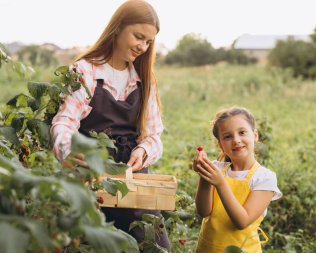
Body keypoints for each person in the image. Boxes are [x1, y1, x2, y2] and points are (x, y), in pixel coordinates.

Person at [50, 0, 171, 251]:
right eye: (138, 37)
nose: (143, 47)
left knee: (154, 245)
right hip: (93, 172)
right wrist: (69, 151)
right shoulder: (85, 71)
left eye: (148, 42)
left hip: (133, 176)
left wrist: (143, 151)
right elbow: (65, 121)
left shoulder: (144, 79)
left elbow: (153, 135)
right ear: (117, 28)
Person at [193, 107, 282, 253]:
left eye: (242, 132)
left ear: (255, 136)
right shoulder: (217, 168)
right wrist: (204, 176)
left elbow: (242, 221)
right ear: (220, 145)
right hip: (207, 248)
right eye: (227, 137)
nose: (236, 140)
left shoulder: (264, 178)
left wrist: (220, 183)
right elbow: (203, 211)